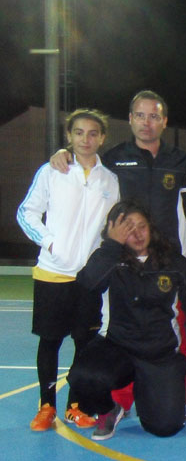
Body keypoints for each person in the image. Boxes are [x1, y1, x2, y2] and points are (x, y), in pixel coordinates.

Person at [49, 90, 186, 419]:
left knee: (178, 326)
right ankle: (120, 400)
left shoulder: (180, 161)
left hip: (167, 261)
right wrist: (63, 152)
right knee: (122, 329)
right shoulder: (113, 158)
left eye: (154, 116)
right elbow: (84, 160)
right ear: (130, 120)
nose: (146, 122)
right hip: (125, 262)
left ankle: (183, 395)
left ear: (164, 121)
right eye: (140, 115)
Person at [17, 109, 120, 431]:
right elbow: (26, 213)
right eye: (79, 133)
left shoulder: (110, 180)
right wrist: (50, 243)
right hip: (53, 273)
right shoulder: (51, 171)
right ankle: (46, 407)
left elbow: (112, 227)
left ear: (102, 138)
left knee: (84, 344)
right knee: (49, 342)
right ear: (69, 136)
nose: (85, 140)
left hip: (89, 278)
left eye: (92, 134)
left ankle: (76, 406)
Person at [67, 201, 186, 441]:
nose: (137, 234)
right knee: (82, 378)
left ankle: (150, 394)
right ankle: (110, 409)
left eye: (142, 226)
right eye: (128, 228)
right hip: (119, 347)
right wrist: (111, 245)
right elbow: (87, 284)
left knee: (165, 427)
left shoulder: (174, 263)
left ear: (151, 228)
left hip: (161, 352)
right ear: (116, 232)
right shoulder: (110, 259)